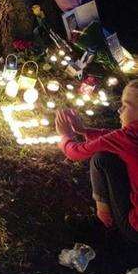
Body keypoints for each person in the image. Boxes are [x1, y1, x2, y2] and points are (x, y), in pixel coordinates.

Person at [55, 79, 138, 243]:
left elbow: (75, 153)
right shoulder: (130, 137)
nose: (119, 110)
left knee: (101, 159)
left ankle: (106, 220)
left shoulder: (129, 137)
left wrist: (65, 136)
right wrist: (83, 130)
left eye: (126, 105)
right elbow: (113, 137)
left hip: (134, 228)